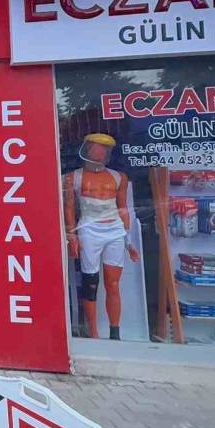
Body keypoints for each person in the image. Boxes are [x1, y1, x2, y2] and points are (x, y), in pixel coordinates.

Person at [63, 133, 140, 341]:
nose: (101, 152)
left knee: (113, 284)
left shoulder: (119, 177)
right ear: (87, 149)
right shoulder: (73, 178)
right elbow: (69, 207)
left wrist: (129, 241)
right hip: (89, 229)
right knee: (90, 282)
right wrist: (72, 236)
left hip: (114, 230)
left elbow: (123, 209)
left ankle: (115, 332)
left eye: (105, 148)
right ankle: (94, 333)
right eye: (97, 147)